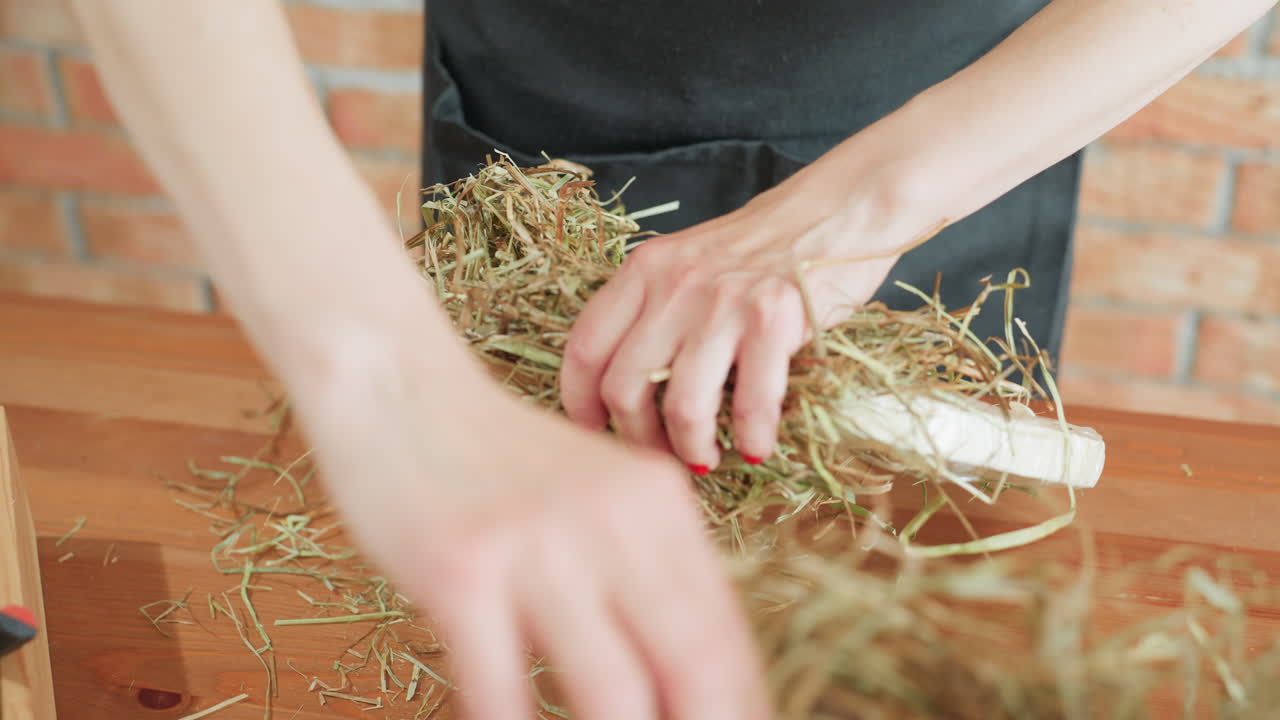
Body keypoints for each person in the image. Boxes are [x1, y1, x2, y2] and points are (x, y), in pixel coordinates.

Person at [72, 1, 1275, 718]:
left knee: (909, 611)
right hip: (571, 80)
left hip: (972, 113)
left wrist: (863, 209)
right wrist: (382, 378)